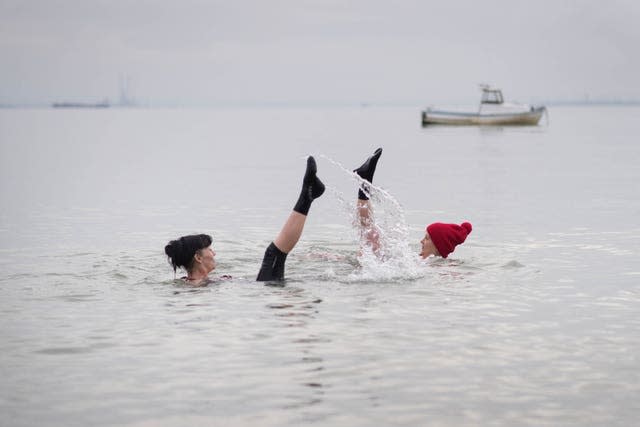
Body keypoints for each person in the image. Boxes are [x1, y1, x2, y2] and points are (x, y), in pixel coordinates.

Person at [164, 156, 325, 284]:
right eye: (209, 249)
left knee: (275, 254)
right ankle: (307, 194)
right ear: (198, 257)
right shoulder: (195, 286)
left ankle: (308, 195)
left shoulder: (202, 282)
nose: (214, 253)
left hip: (261, 287)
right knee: (273, 254)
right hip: (265, 289)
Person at [354, 148, 472, 259]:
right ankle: (365, 182)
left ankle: (364, 183)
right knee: (371, 237)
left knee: (371, 239)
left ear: (438, 246)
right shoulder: (419, 261)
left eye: (426, 239)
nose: (421, 241)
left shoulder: (435, 266)